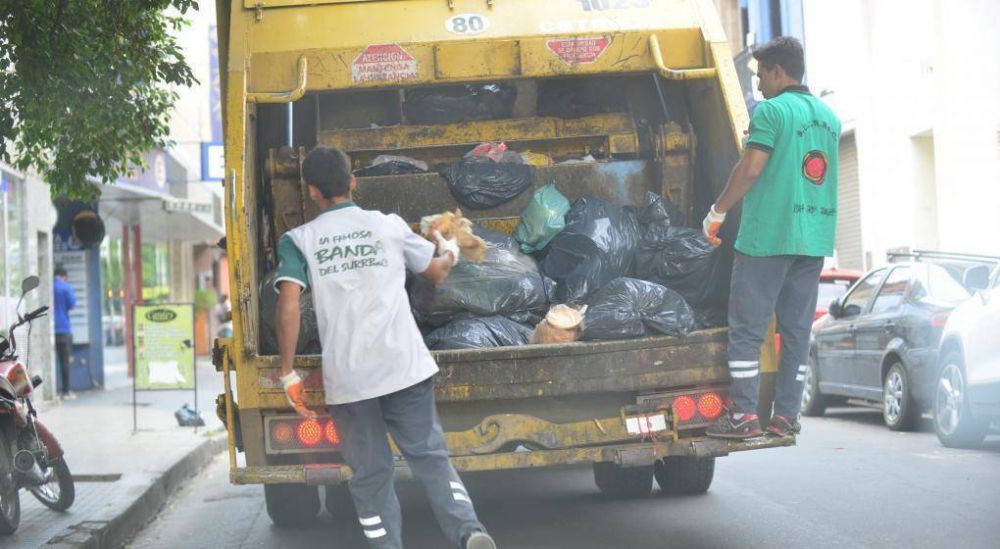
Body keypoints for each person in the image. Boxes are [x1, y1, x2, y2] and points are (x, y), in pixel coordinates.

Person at [274, 146, 497, 549]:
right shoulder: (389, 225)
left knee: (371, 475)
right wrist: (448, 246)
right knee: (430, 457)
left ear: (311, 191)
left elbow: (288, 303)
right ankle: (469, 531)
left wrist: (288, 373)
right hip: (404, 365)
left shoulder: (299, 240)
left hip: (350, 380)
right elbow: (436, 272)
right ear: (353, 182)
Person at [702, 36, 841, 439]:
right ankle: (786, 417)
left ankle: (743, 415)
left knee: (747, 330)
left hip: (767, 239)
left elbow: (750, 170)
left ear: (779, 72)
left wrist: (718, 211)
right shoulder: (829, 117)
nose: (759, 84)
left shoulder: (772, 112)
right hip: (812, 240)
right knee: (796, 332)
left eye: (762, 74)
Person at [53, 266, 77, 399]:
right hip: (63, 330)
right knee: (65, 361)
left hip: (50, 330)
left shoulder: (48, 286)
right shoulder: (65, 287)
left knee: (51, 361)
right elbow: (72, 305)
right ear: (64, 275)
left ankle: (52, 391)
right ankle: (66, 391)